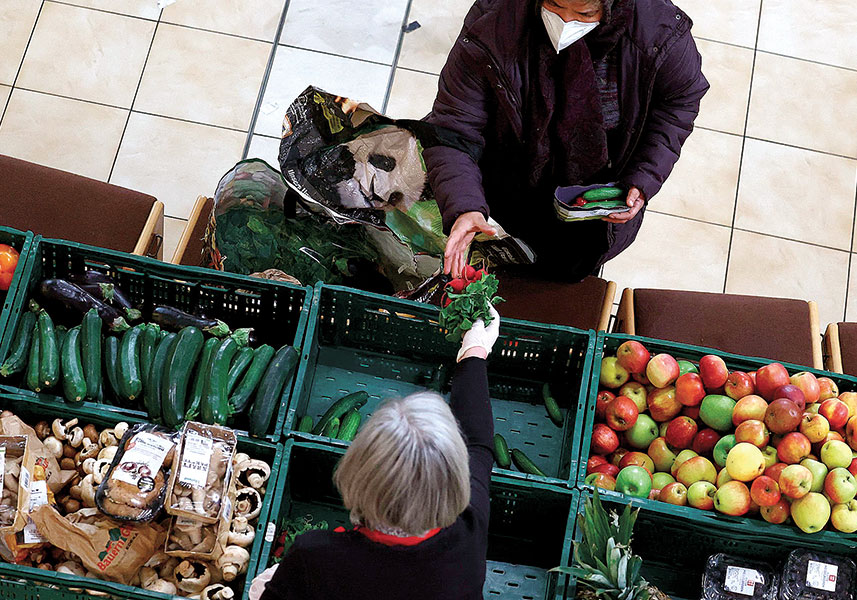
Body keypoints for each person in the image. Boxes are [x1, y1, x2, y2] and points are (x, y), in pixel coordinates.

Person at [424, 0, 709, 282]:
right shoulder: (494, 23)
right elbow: (454, 126)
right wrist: (465, 204)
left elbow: (679, 102)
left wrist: (645, 174)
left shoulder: (658, 34)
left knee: (563, 276)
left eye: (584, 13)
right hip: (505, 184)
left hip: (592, 208)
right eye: (555, 4)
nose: (564, 21)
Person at [250, 307, 501, 600]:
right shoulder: (469, 531)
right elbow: (479, 444)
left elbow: (478, 445)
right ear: (456, 483)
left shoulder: (315, 557)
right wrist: (475, 351)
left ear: (357, 473)